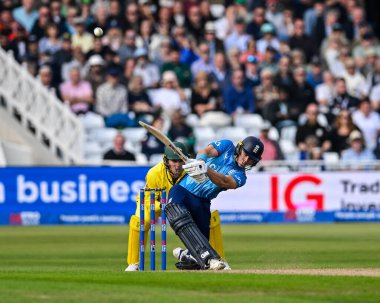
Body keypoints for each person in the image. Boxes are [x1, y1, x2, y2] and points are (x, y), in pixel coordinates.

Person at [165, 136, 264, 270]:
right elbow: (205, 152)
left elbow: (223, 181)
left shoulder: (241, 177)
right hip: (183, 190)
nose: (246, 160)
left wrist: (205, 169)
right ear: (239, 148)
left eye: (251, 159)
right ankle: (198, 256)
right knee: (176, 213)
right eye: (245, 154)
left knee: (199, 256)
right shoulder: (227, 145)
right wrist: (200, 161)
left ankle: (186, 255)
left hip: (202, 203)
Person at [125, 142, 227, 271]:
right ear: (166, 160)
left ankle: (218, 259)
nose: (177, 165)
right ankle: (134, 263)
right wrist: (163, 205)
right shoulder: (154, 173)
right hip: (155, 202)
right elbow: (147, 199)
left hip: (181, 202)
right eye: (173, 161)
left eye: (180, 161)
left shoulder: (191, 170)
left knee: (209, 218)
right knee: (141, 221)